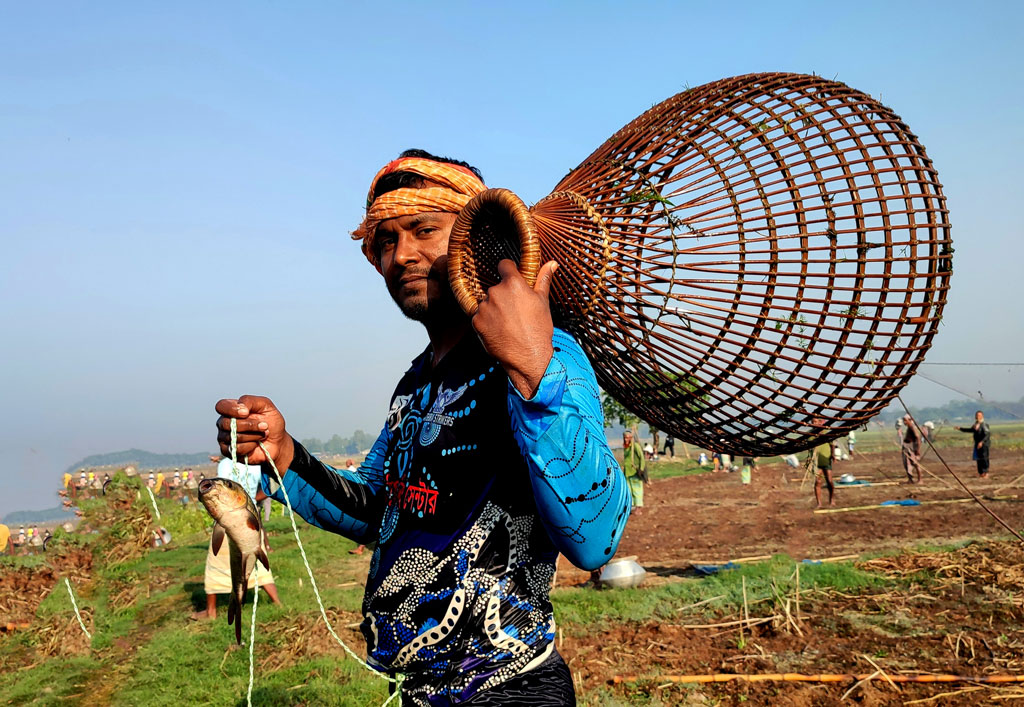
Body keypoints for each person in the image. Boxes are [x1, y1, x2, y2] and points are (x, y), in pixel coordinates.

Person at [214, 150, 630, 706]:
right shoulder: (416, 382)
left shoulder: (547, 354)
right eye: (386, 240)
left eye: (424, 230)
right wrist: (285, 455)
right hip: (420, 692)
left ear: (477, 240)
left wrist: (533, 369)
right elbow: (377, 512)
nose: (401, 254)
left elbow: (596, 539)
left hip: (510, 688)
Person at [809, 419, 835, 508]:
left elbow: (832, 445)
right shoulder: (810, 434)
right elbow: (808, 446)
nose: (814, 423)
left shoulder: (826, 433)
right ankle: (819, 503)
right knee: (818, 482)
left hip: (826, 459)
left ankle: (832, 500)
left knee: (829, 481)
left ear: (820, 422)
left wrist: (833, 455)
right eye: (812, 422)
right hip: (816, 462)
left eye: (815, 422)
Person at [959, 411, 992, 478]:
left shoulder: (984, 424)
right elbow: (970, 430)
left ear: (982, 416)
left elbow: (987, 434)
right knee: (978, 458)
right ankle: (981, 472)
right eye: (976, 415)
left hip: (984, 444)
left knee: (984, 458)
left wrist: (982, 442)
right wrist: (960, 429)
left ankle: (985, 472)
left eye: (979, 415)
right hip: (977, 444)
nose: (977, 417)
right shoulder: (976, 425)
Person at [901, 414, 923, 483]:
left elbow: (917, 437)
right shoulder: (909, 427)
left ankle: (920, 480)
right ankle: (910, 480)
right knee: (907, 464)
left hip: (910, 447)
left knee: (915, 463)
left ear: (910, 420)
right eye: (903, 420)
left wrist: (918, 450)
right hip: (907, 447)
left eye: (905, 420)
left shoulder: (912, 427)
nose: (904, 422)